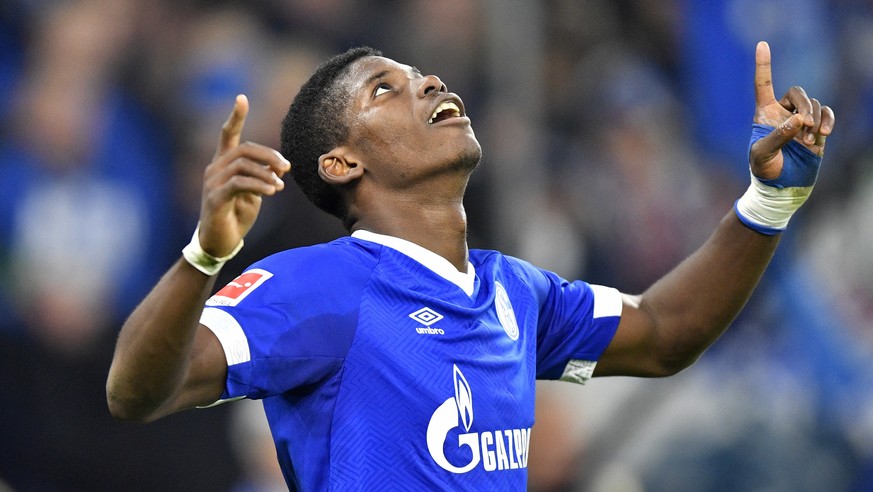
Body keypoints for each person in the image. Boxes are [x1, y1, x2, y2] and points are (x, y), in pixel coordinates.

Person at [106, 41, 834, 490]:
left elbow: (666, 331)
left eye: (421, 74)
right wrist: (204, 255)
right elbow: (135, 393)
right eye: (384, 88)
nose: (427, 84)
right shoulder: (320, 288)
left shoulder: (514, 291)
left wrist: (768, 202)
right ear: (341, 161)